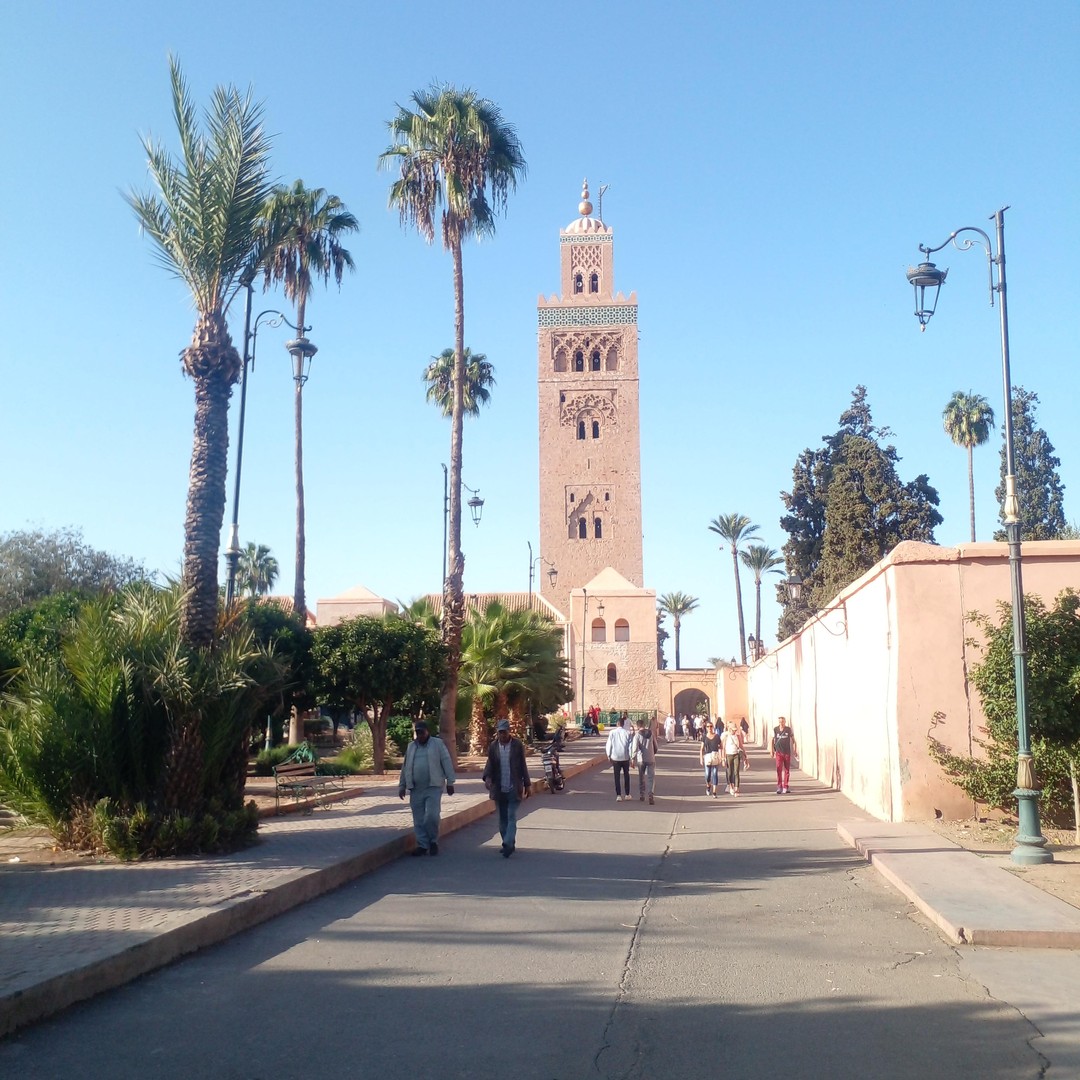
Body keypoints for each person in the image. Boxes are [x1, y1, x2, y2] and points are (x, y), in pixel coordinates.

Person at [398, 720, 455, 856]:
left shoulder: (437, 744)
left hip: (433, 787)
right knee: (418, 818)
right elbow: (405, 767)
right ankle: (422, 845)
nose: (420, 735)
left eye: (422, 732)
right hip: (416, 788)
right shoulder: (411, 746)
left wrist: (450, 782)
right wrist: (402, 785)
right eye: (417, 733)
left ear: (427, 731)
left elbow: (446, 761)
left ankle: (433, 841)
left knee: (431, 816)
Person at [483, 719, 531, 856]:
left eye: (504, 732)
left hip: (513, 787)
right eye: (500, 732)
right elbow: (490, 764)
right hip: (499, 788)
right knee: (502, 818)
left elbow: (522, 765)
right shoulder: (493, 746)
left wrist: (527, 784)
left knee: (511, 816)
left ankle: (508, 842)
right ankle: (507, 843)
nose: (502, 735)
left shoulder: (517, 745)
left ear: (509, 731)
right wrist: (487, 778)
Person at [605, 715, 634, 800]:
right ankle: (627, 794)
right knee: (626, 775)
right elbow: (630, 746)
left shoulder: (612, 732)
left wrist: (608, 755)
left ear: (617, 724)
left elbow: (609, 744)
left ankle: (618, 795)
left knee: (616, 776)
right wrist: (631, 757)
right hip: (625, 757)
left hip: (615, 757)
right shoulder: (628, 733)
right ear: (623, 724)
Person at [630, 719, 658, 804]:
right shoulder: (651, 733)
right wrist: (652, 753)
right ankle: (651, 794)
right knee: (651, 777)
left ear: (637, 726)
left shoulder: (637, 735)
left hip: (641, 758)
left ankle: (642, 794)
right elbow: (656, 746)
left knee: (641, 777)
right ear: (644, 725)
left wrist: (632, 759)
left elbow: (634, 748)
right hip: (651, 758)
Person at [772, 715, 797, 794]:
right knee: (778, 769)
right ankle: (779, 787)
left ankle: (785, 786)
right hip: (779, 752)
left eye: (782, 722)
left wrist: (795, 749)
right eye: (780, 722)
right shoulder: (775, 729)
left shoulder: (788, 730)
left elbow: (793, 740)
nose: (781, 723)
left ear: (785, 722)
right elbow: (772, 740)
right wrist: (771, 750)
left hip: (787, 752)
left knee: (787, 770)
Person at [722, 718, 746, 796]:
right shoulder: (726, 736)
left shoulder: (737, 736)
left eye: (735, 730)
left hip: (736, 755)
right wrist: (723, 758)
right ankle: (731, 786)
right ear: (730, 729)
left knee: (736, 772)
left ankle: (737, 788)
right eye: (733, 730)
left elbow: (741, 746)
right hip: (729, 755)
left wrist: (745, 756)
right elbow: (723, 748)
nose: (734, 731)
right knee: (730, 772)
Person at [699, 720, 722, 797]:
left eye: (711, 726)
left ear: (713, 727)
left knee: (715, 774)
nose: (709, 728)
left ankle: (714, 792)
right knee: (707, 774)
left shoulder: (717, 736)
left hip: (715, 756)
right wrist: (701, 758)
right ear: (706, 728)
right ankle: (708, 786)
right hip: (708, 757)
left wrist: (721, 756)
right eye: (708, 726)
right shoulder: (704, 737)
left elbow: (721, 746)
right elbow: (702, 748)